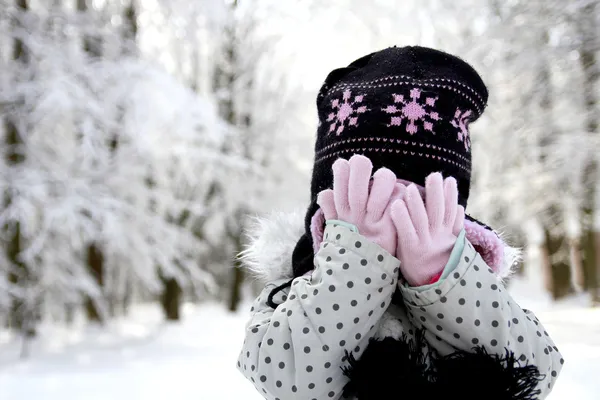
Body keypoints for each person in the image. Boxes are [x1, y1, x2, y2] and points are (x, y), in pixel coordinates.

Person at [236, 46, 563, 400]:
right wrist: (355, 264)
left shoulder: (474, 281)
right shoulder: (291, 293)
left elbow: (532, 375)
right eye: (365, 198)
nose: (391, 219)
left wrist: (444, 277)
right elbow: (289, 384)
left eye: (413, 204)